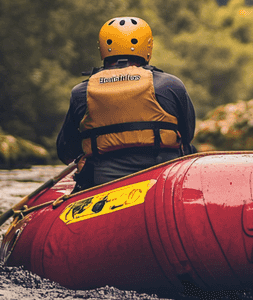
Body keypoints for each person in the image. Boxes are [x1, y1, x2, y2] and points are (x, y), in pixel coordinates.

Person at [56, 16, 197, 190]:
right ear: (147, 47)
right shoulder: (170, 85)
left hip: (103, 184)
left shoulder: (81, 92)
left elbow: (66, 151)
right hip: (164, 180)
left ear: (103, 49)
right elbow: (187, 134)